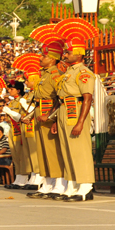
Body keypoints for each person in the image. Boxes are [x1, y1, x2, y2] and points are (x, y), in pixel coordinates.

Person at [55, 36, 96, 202]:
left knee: (80, 149)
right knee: (67, 149)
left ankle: (86, 186)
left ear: (79, 54)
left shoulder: (84, 73)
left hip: (76, 108)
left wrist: (80, 122)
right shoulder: (68, 72)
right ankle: (72, 184)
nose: (65, 55)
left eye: (69, 52)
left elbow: (87, 98)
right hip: (65, 109)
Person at [27, 41, 68, 200]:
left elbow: (59, 98)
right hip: (40, 113)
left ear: (52, 59)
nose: (40, 58)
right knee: (43, 150)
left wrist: (53, 118)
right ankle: (48, 182)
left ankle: (60, 183)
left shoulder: (56, 75)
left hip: (49, 115)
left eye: (44, 55)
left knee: (53, 150)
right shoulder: (44, 74)